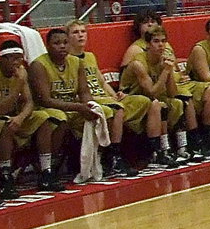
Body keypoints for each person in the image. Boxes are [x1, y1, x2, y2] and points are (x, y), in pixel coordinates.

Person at [28, 26, 135, 185]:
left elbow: (84, 92)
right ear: (48, 45)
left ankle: (101, 160)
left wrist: (89, 106)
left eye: (65, 42)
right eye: (57, 43)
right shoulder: (38, 65)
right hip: (49, 110)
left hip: (72, 107)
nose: (62, 46)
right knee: (59, 120)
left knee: (105, 113)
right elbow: (45, 100)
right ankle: (48, 168)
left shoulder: (76, 62)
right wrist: (79, 107)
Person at [66, 20, 167, 172]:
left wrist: (115, 95)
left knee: (149, 102)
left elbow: (102, 82)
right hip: (91, 102)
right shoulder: (67, 59)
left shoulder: (90, 56)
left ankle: (155, 152)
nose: (80, 35)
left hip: (107, 98)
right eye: (75, 32)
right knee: (118, 109)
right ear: (68, 37)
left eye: (83, 31)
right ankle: (115, 157)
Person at [0, 40, 61, 202]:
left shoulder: (21, 71)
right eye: (14, 58)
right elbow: (0, 109)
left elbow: (29, 102)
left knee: (43, 118)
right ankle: (5, 175)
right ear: (3, 59)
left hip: (13, 115)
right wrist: (19, 83)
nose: (18, 62)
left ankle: (46, 171)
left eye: (20, 58)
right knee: (6, 124)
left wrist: (21, 117)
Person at [119, 27, 192, 165]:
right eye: (156, 41)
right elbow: (151, 91)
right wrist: (166, 71)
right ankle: (158, 151)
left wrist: (169, 71)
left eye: (164, 41)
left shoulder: (164, 60)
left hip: (150, 98)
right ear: (147, 44)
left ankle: (182, 147)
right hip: (131, 98)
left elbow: (172, 93)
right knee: (157, 105)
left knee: (177, 103)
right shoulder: (138, 63)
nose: (161, 45)